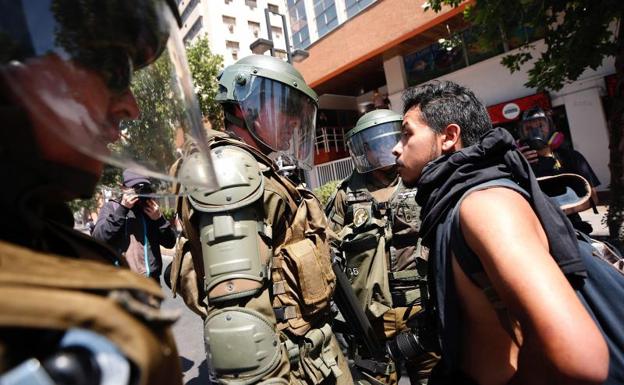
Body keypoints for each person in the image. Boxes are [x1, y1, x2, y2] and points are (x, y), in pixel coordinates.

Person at [0, 1, 215, 384]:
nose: (131, 106)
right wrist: (120, 208)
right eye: (112, 71)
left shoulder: (42, 234)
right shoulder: (110, 211)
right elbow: (105, 237)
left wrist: (158, 218)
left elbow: (168, 238)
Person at [391, 81, 619, 385]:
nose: (396, 148)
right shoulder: (460, 201)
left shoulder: (484, 206)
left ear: (448, 137)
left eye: (407, 134)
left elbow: (580, 358)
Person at [168, 54, 353, 385]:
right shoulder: (231, 173)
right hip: (288, 368)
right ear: (243, 106)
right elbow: (239, 324)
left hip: (309, 359)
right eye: (283, 107)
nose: (294, 121)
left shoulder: (257, 169)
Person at [325, 109, 437, 385]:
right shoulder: (346, 194)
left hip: (421, 311)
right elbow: (327, 250)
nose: (383, 150)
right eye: (374, 144)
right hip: (371, 321)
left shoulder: (421, 179)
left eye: (387, 141)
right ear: (364, 149)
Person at [517, 106, 600, 233]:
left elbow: (592, 198)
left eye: (540, 126)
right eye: (528, 128)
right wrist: (518, 165)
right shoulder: (517, 163)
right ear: (522, 134)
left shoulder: (572, 157)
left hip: (572, 227)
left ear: (550, 127)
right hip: (535, 230)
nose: (535, 131)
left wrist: (557, 213)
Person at [92, 170, 176, 283]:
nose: (140, 193)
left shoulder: (150, 210)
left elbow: (170, 243)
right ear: (123, 188)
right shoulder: (112, 208)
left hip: (151, 283)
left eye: (144, 188)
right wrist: (123, 209)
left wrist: (159, 220)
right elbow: (99, 239)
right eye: (136, 188)